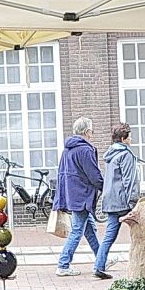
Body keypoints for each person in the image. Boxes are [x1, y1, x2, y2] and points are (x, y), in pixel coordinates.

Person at [54, 117, 104, 277]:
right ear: (87, 131)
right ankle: (63, 264)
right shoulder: (85, 150)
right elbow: (93, 175)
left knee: (89, 230)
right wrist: (105, 187)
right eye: (92, 130)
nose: (92, 134)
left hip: (72, 195)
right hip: (82, 196)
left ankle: (101, 258)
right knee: (77, 230)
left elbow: (62, 174)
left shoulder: (67, 149)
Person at [95, 122, 140, 280]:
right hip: (123, 201)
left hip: (110, 201)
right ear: (123, 138)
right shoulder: (125, 155)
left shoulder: (110, 154)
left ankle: (99, 266)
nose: (131, 138)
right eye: (129, 135)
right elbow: (129, 180)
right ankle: (139, 267)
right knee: (139, 233)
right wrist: (134, 203)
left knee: (109, 236)